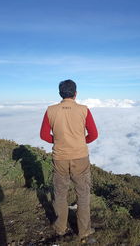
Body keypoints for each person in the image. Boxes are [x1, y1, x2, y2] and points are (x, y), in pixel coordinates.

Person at [40, 79, 98, 240]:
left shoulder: (50, 110)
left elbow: (44, 135)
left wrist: (59, 142)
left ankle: (60, 228)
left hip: (60, 157)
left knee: (60, 193)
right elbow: (93, 134)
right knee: (83, 194)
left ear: (60, 93)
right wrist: (79, 142)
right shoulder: (84, 110)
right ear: (75, 93)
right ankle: (84, 231)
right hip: (80, 157)